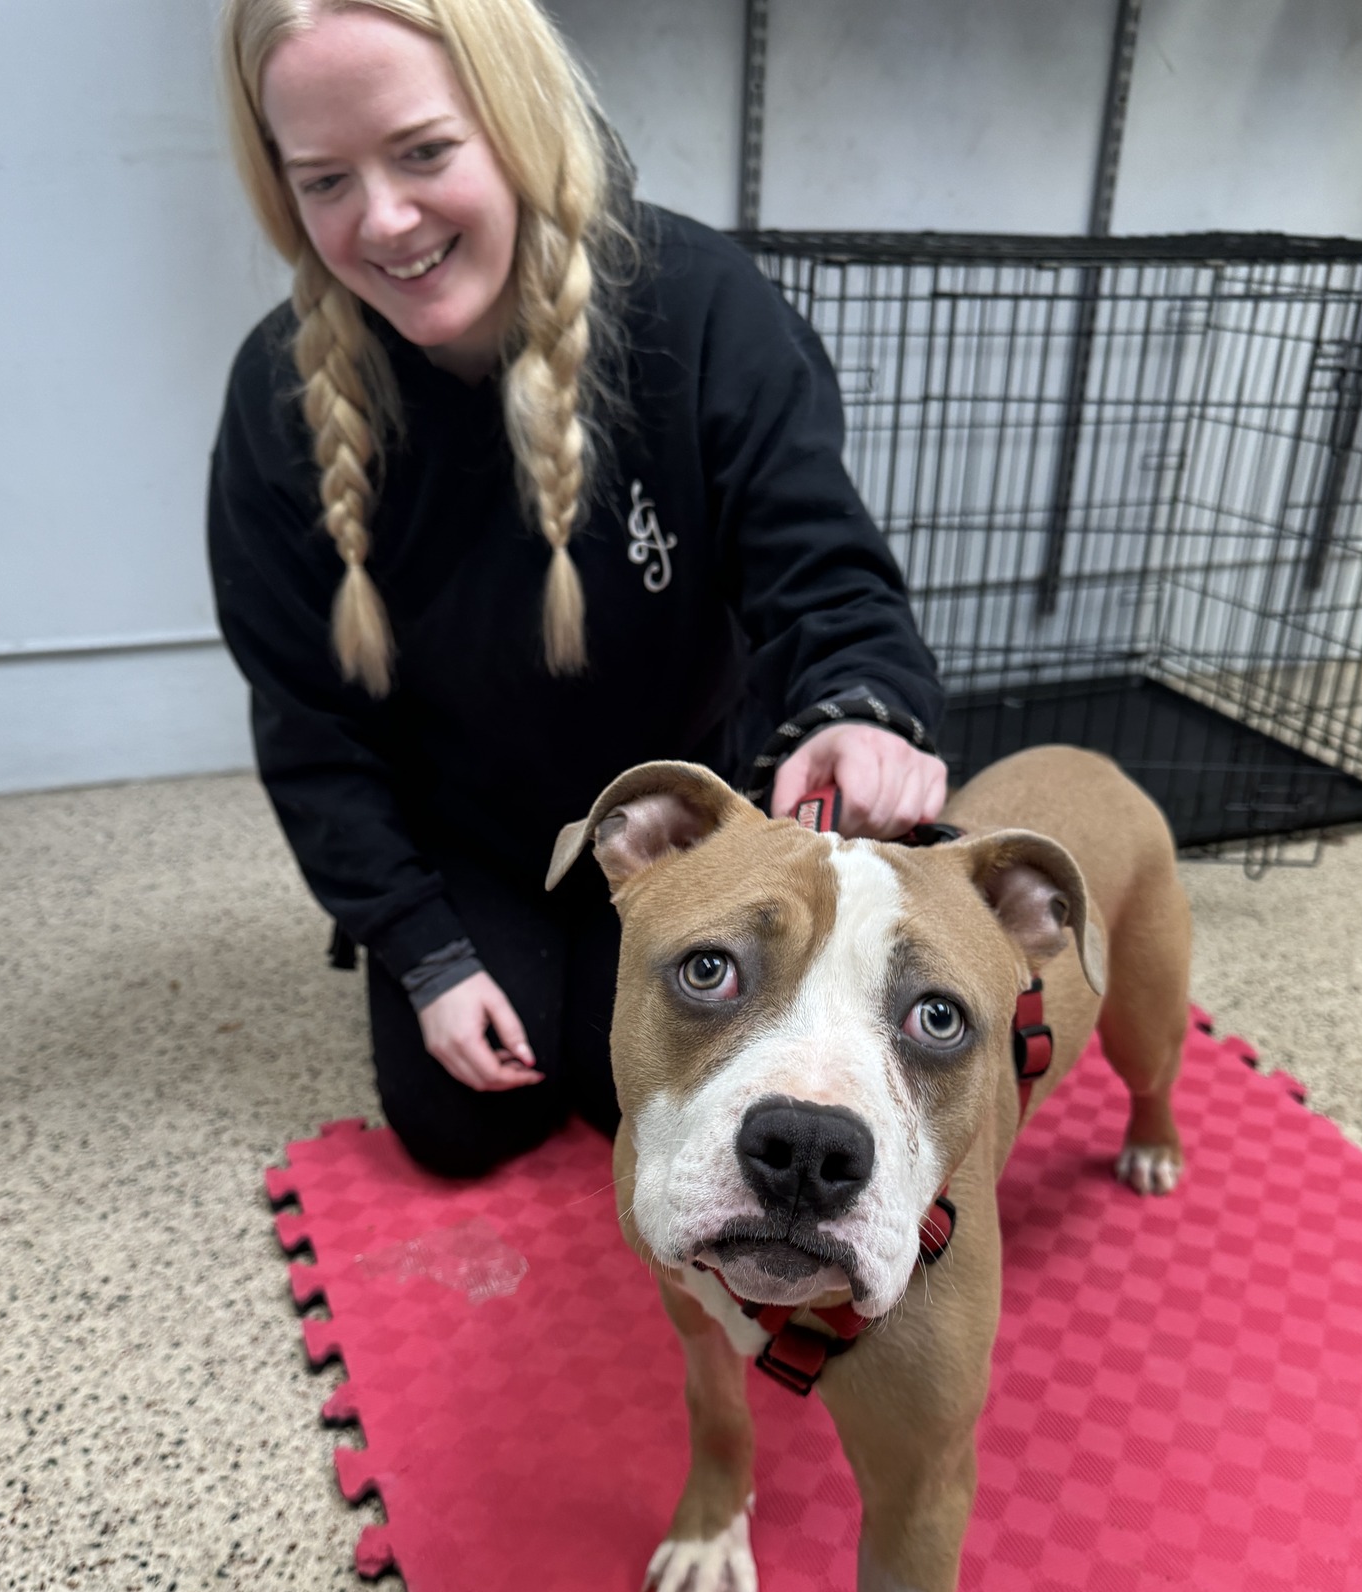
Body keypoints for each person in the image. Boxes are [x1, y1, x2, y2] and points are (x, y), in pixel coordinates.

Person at [210, 0, 948, 1178]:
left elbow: (823, 566)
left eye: (425, 151)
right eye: (324, 180)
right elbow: (308, 726)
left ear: (516, 119)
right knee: (461, 1122)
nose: (384, 219)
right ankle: (500, 951)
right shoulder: (275, 400)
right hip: (469, 832)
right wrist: (427, 953)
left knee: (642, 1098)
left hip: (685, 809)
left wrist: (859, 704)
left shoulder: (699, 306)